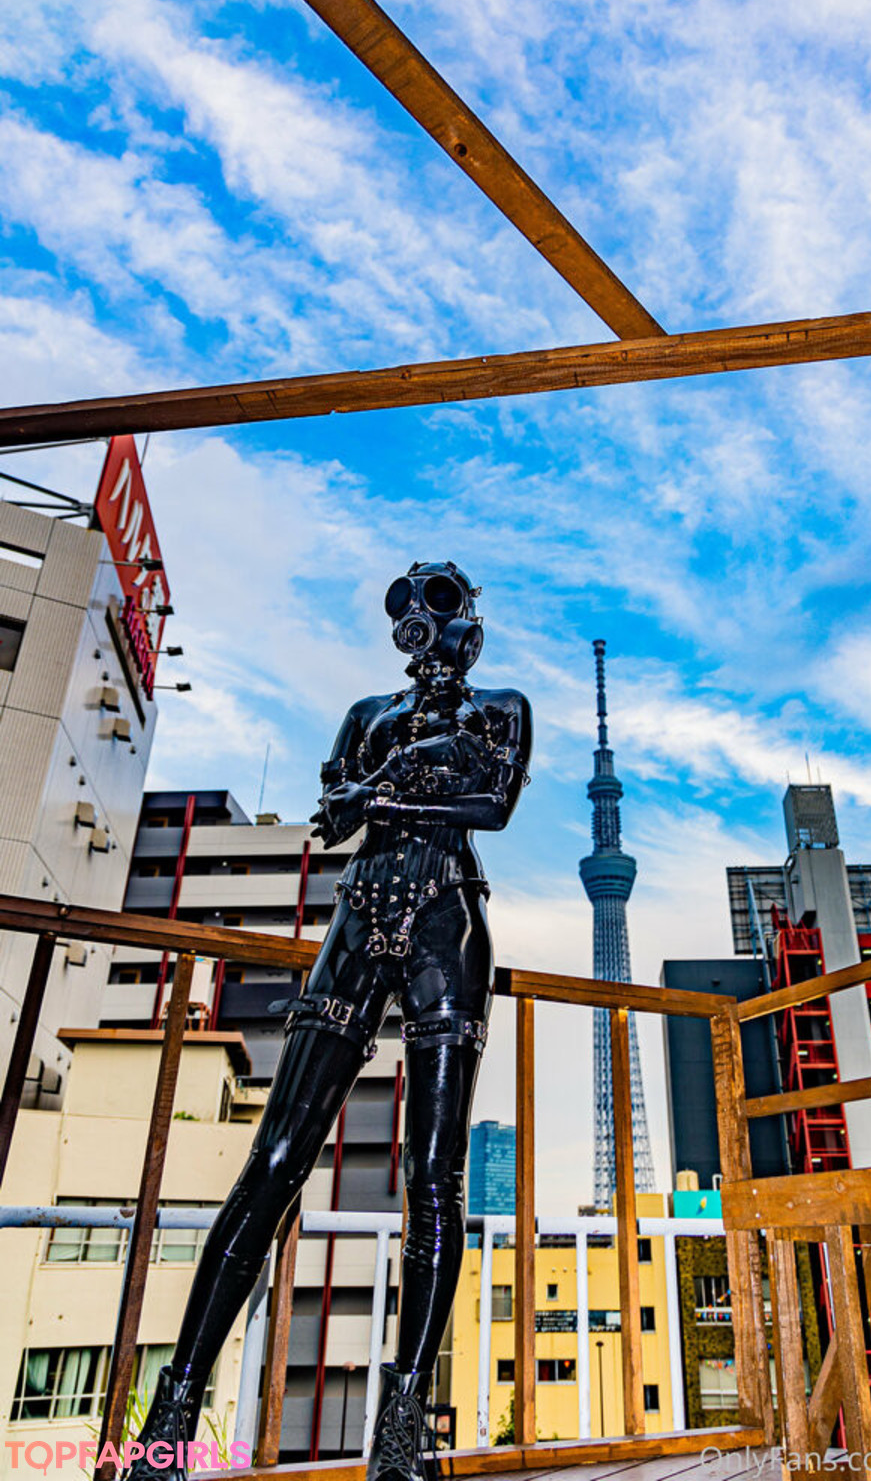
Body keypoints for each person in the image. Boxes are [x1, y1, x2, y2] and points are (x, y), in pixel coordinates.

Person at [124, 562, 531, 1481]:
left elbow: (493, 807)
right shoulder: (366, 713)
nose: (419, 620)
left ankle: (402, 1427)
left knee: (433, 1175)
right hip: (358, 917)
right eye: (405, 605)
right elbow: (333, 821)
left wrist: (380, 794)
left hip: (446, 922)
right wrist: (389, 787)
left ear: (469, 616)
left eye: (437, 601)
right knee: (274, 1157)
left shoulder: (502, 707)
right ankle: (172, 1416)